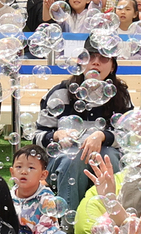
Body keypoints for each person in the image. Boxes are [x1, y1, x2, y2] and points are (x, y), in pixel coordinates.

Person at [35, 40, 134, 208]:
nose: (96, 62)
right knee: (72, 158)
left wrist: (102, 136)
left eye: (103, 58)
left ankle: (111, 219)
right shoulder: (60, 93)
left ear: (112, 67)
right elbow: (36, 137)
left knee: (107, 154)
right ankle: (68, 226)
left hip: (107, 153)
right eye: (90, 56)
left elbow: (129, 137)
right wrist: (56, 135)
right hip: (64, 159)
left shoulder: (120, 96)